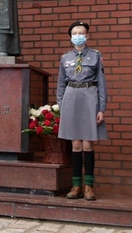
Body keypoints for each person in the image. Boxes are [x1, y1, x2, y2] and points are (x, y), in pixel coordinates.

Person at [56, 21, 107, 201]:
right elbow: (61, 84)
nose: (78, 35)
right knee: (75, 145)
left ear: (87, 36)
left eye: (81, 32)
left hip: (89, 97)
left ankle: (89, 186)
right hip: (71, 99)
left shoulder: (95, 56)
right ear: (70, 37)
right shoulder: (65, 58)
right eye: (75, 33)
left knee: (87, 144)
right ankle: (76, 185)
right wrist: (62, 105)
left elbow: (101, 82)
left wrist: (101, 108)